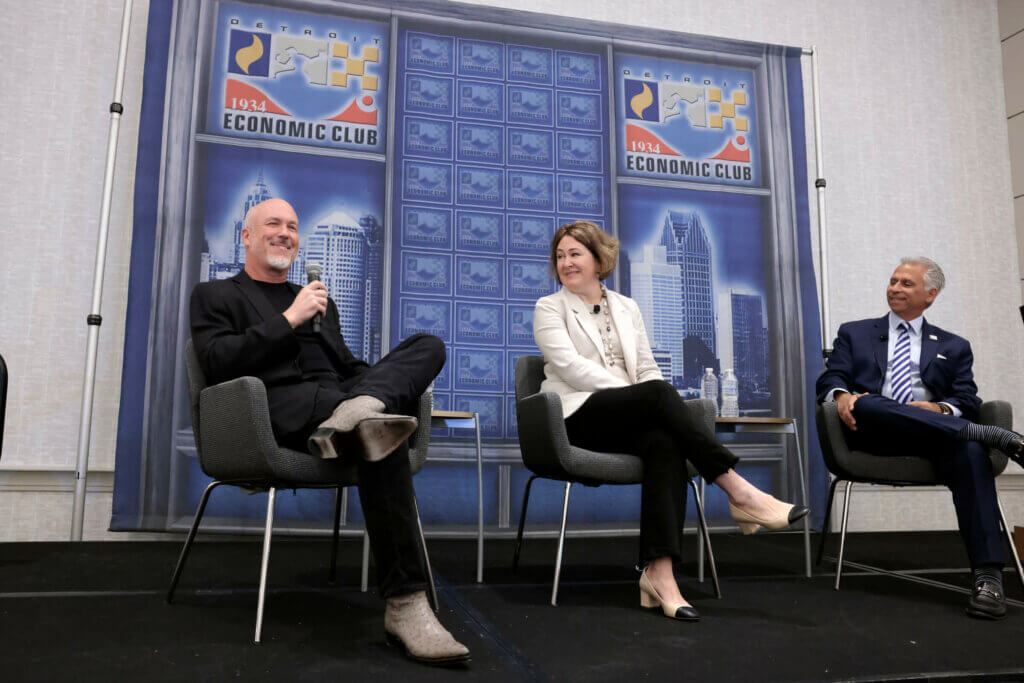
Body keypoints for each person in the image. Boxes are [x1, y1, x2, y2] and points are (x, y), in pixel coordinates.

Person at [190, 198, 469, 664]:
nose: (285, 233)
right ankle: (406, 604)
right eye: (273, 224)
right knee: (379, 431)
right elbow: (217, 363)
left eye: (292, 226)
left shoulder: (321, 300)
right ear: (246, 235)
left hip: (339, 404)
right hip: (282, 408)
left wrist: (382, 387)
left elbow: (346, 365)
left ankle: (360, 413)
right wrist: (290, 319)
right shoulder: (215, 295)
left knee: (428, 347)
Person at [533, 220, 809, 622]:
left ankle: (659, 575)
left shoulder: (626, 307)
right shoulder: (549, 307)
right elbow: (569, 367)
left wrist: (642, 395)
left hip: (628, 416)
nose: (566, 263)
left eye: (575, 254)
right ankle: (741, 492)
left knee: (665, 443)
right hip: (577, 416)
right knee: (658, 394)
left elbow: (647, 366)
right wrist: (637, 395)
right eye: (560, 256)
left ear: (599, 259)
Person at [817, 257, 1024, 619]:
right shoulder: (855, 332)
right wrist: (842, 395)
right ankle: (990, 435)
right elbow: (831, 377)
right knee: (867, 402)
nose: (895, 288)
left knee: (971, 454)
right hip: (872, 433)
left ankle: (988, 576)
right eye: (893, 281)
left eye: (906, 283)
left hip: (935, 439)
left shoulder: (954, 345)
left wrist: (939, 409)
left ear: (931, 295)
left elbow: (967, 399)